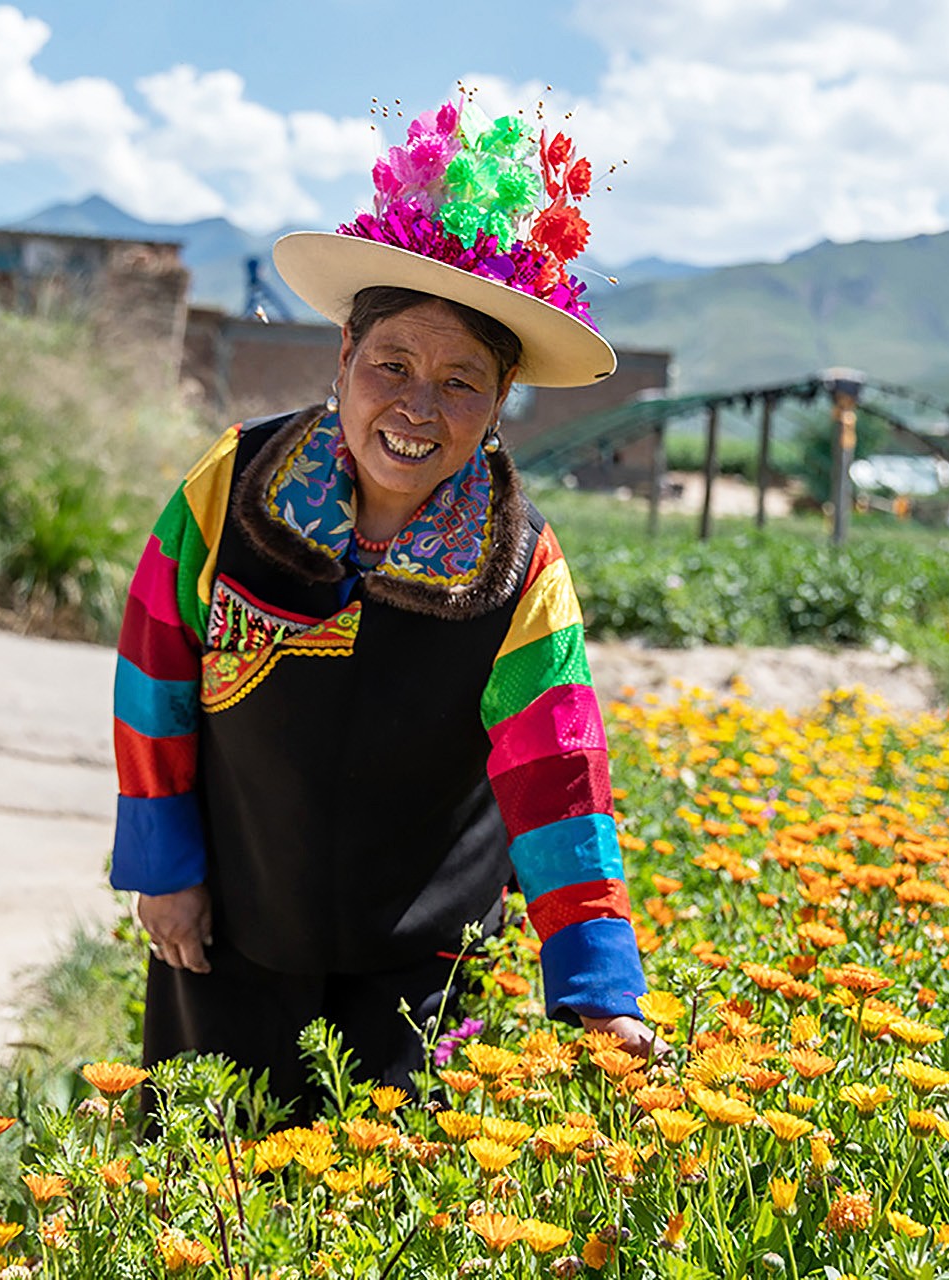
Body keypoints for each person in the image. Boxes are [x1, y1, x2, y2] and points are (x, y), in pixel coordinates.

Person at [109, 95, 654, 1112]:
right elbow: (154, 676)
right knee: (201, 1198)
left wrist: (596, 984)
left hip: (423, 984)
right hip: (227, 939)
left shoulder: (515, 563)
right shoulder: (230, 488)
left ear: (497, 408)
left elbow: (559, 771)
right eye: (392, 365)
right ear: (343, 360)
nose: (417, 406)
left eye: (460, 383)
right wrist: (163, 864)